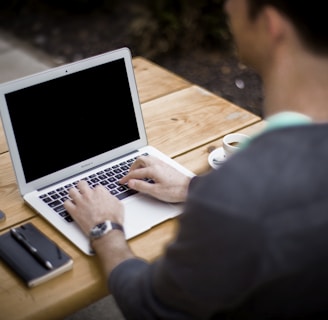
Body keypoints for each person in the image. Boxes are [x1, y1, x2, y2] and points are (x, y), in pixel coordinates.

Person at [64, 0, 328, 318]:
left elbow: (150, 307)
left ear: (271, 24)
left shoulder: (244, 189)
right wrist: (193, 187)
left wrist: (105, 229)